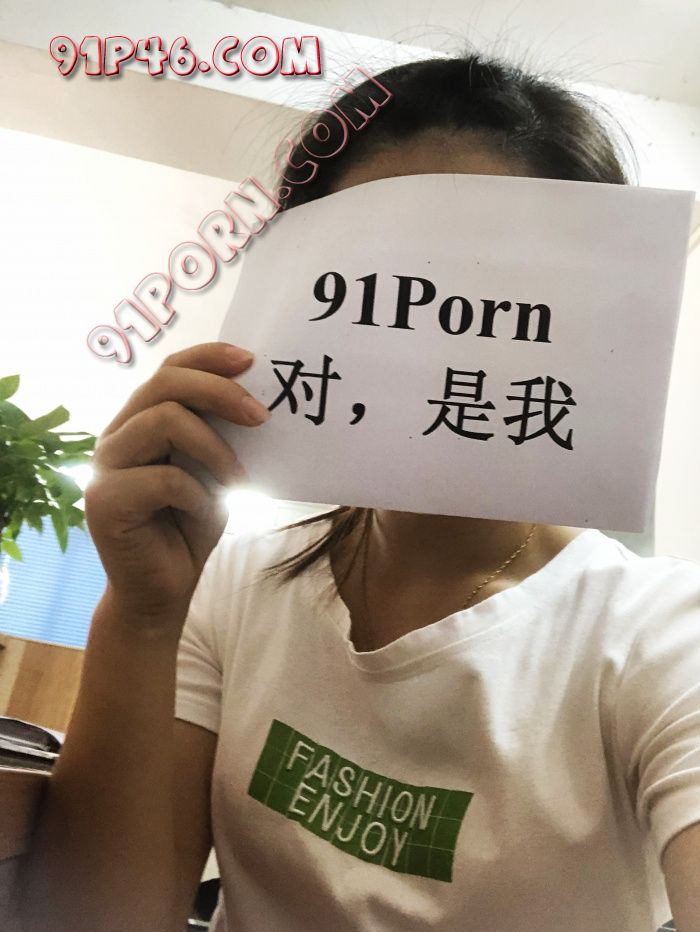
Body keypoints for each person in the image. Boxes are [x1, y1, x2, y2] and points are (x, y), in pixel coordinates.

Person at [16, 51, 700, 932]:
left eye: (493, 287)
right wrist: (141, 616)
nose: (430, 325)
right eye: (378, 279)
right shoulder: (232, 582)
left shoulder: (660, 639)